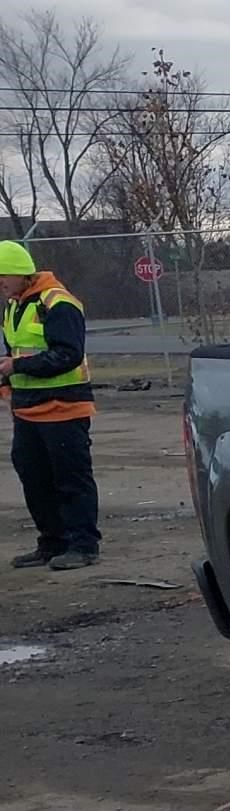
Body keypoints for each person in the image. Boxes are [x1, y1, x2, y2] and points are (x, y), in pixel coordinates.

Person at [0, 240, 100, 570]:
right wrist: (7, 377)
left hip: (64, 407)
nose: (0, 286)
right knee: (35, 478)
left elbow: (68, 354)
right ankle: (52, 542)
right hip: (27, 409)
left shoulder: (58, 303)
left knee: (71, 478)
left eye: (2, 278)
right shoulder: (14, 305)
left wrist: (17, 367)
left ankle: (83, 545)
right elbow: (17, 352)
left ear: (18, 273)